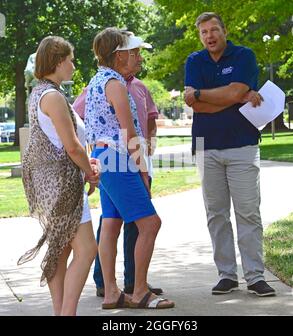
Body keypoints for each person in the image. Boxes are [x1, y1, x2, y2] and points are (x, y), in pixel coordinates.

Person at [184, 12, 276, 297]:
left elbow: (234, 91)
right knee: (216, 215)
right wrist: (232, 97)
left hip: (242, 146)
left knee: (248, 212)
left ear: (224, 30)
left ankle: (255, 276)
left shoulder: (243, 56)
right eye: (204, 32)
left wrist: (205, 94)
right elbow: (193, 103)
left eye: (214, 30)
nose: (209, 36)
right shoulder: (194, 61)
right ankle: (226, 275)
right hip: (206, 146)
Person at [85, 27, 174, 309]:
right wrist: (143, 171)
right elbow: (129, 132)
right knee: (150, 223)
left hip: (104, 156)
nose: (139, 58)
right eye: (134, 53)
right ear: (119, 55)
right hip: (117, 158)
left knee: (111, 224)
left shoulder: (98, 81)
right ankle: (139, 291)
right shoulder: (115, 84)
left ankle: (112, 293)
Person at [18, 36, 99, 316]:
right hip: (63, 186)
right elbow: (72, 146)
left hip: (54, 185)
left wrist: (86, 167)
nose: (74, 66)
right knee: (87, 250)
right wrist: (90, 172)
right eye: (71, 60)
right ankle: (67, 313)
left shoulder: (41, 92)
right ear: (58, 61)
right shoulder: (52, 96)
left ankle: (61, 313)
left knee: (61, 250)